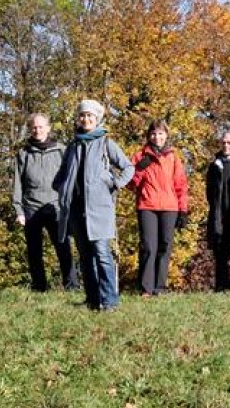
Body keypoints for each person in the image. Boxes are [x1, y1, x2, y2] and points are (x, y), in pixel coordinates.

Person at [53, 99, 134, 311]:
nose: (86, 119)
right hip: (76, 209)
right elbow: (62, 173)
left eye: (90, 116)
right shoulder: (73, 146)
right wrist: (61, 187)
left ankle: (109, 301)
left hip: (99, 209)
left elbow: (128, 167)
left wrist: (114, 184)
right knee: (86, 257)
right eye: (82, 115)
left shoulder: (106, 143)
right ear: (78, 119)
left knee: (103, 255)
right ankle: (92, 300)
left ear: (96, 119)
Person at [13, 113, 79, 292]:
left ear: (48, 128)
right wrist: (18, 210)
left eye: (41, 127)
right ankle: (39, 287)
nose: (37, 130)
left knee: (63, 248)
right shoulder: (23, 154)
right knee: (34, 251)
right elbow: (17, 183)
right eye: (34, 127)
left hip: (56, 207)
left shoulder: (61, 150)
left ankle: (72, 286)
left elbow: (71, 179)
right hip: (31, 207)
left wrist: (71, 205)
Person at [129, 119, 189, 297]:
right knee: (148, 246)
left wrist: (183, 210)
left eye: (161, 133)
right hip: (147, 206)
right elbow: (131, 185)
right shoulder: (140, 156)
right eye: (154, 133)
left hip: (170, 207)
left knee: (165, 246)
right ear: (149, 136)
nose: (157, 137)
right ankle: (146, 288)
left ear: (166, 135)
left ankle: (160, 287)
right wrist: (139, 170)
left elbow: (181, 185)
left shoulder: (173, 157)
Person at [205, 130, 230, 292]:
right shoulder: (214, 165)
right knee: (221, 255)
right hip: (219, 216)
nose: (226, 145)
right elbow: (209, 192)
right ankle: (222, 289)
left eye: (229, 142)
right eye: (223, 142)